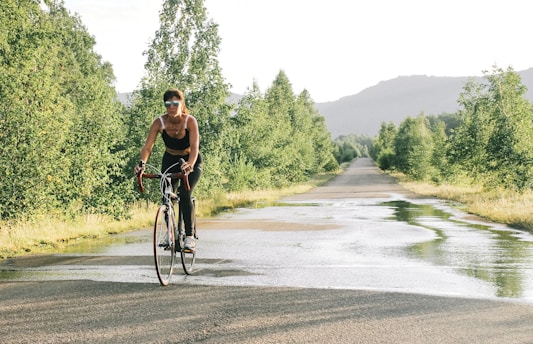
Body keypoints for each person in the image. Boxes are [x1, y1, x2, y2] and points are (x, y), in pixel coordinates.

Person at [134, 88, 202, 251]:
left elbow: (194, 147)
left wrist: (190, 164)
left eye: (175, 103)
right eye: (167, 104)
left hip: (190, 159)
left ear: (181, 104)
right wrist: (142, 163)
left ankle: (189, 237)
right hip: (170, 159)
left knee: (185, 194)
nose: (171, 107)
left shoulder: (189, 121)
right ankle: (170, 234)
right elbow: (148, 147)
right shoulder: (160, 122)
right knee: (166, 195)